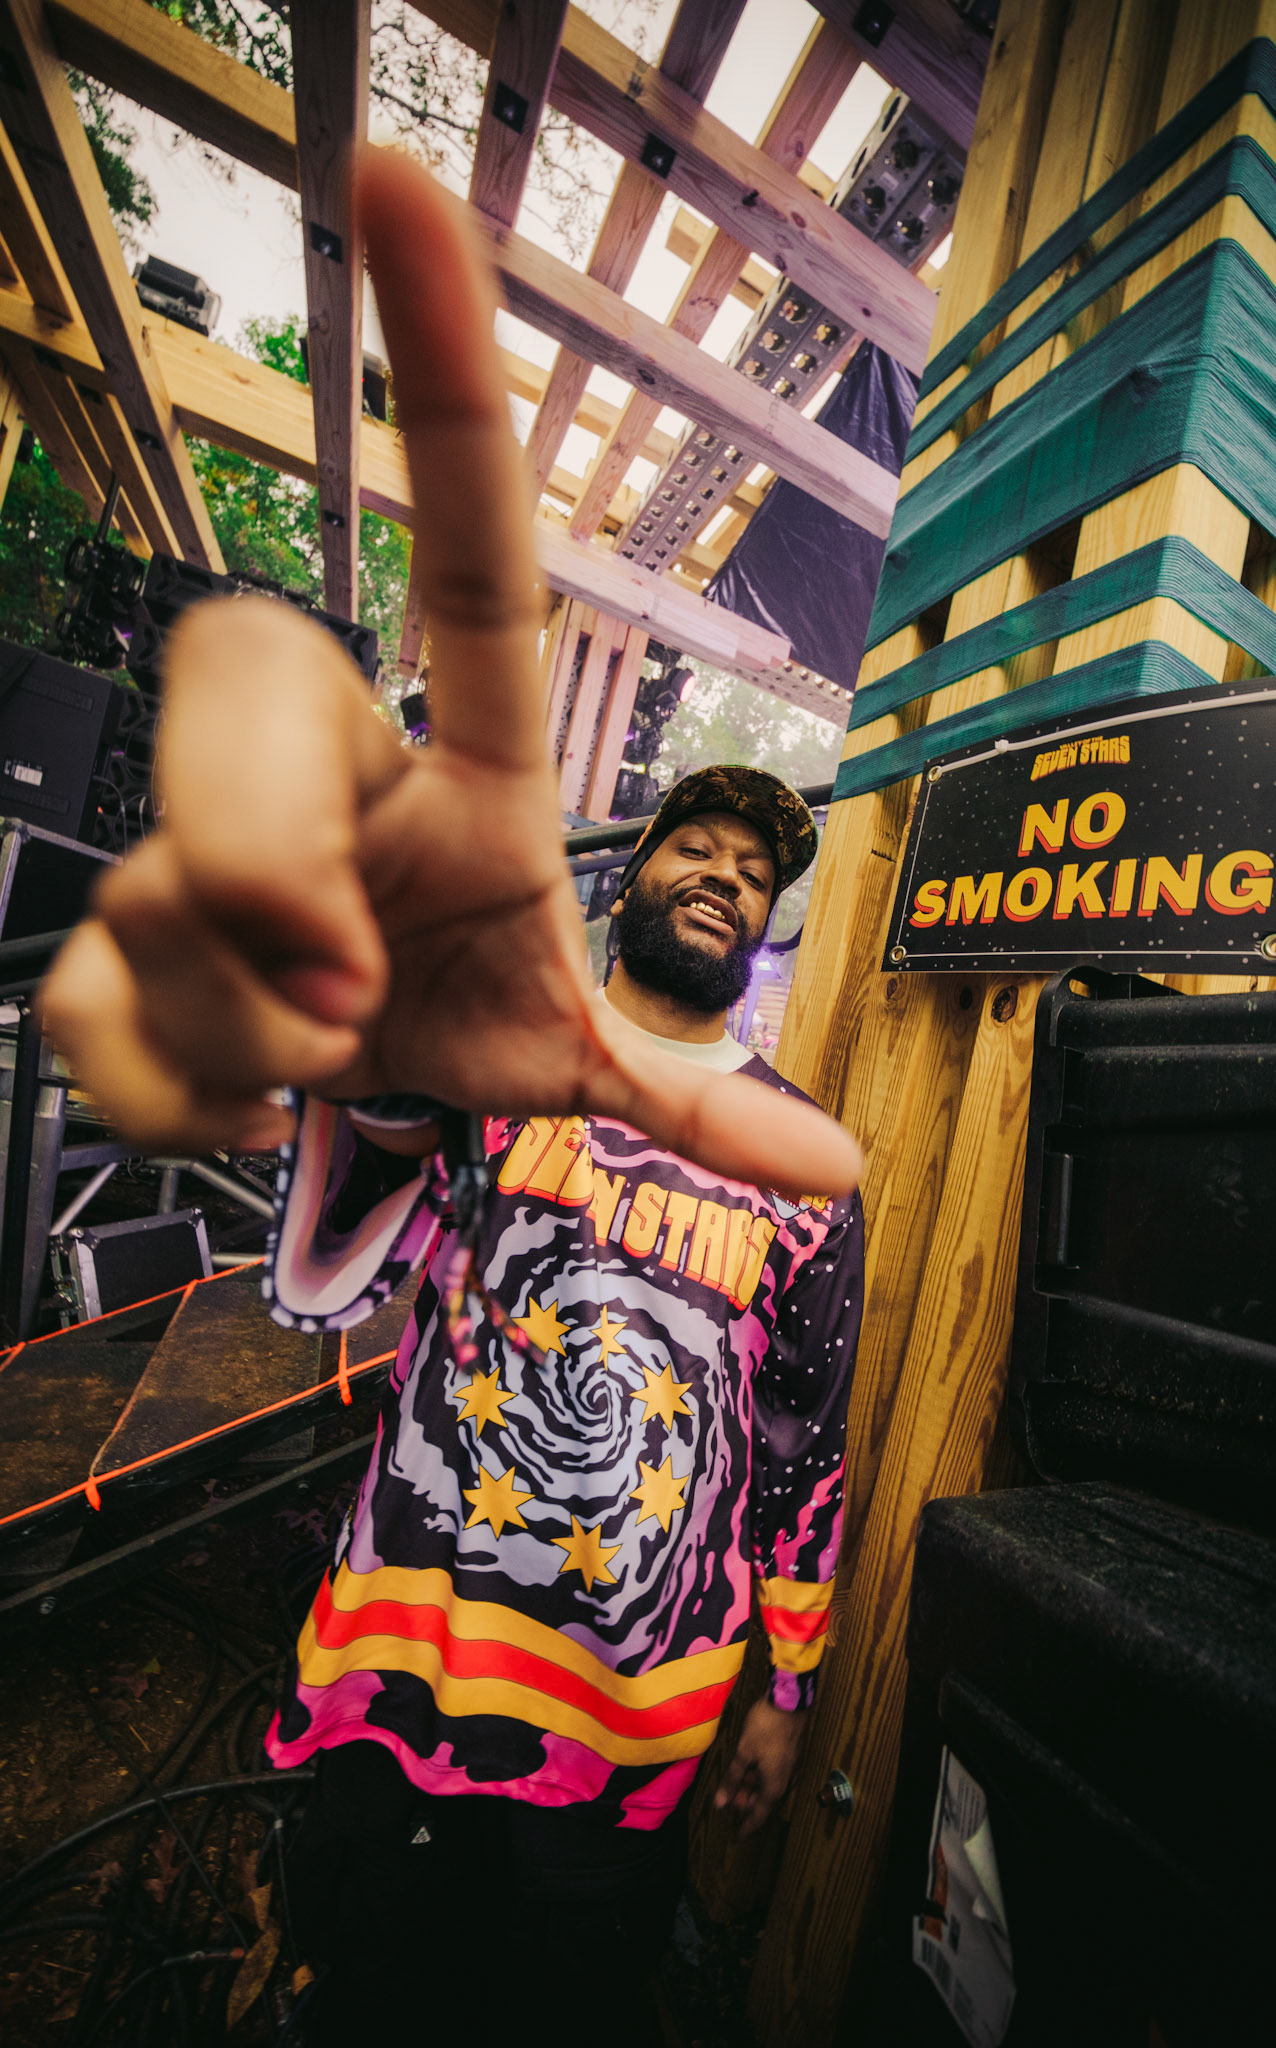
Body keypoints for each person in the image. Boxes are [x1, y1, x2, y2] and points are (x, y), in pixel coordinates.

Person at [42, 149, 863, 2039]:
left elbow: (804, 1450)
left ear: (763, 925)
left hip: (635, 1736)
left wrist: (786, 1692)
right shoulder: (497, 1076)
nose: (726, 871)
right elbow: (342, 1228)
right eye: (696, 842)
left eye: (757, 868)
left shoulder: (799, 1162)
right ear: (630, 875)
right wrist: (389, 1065)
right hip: (401, 1696)